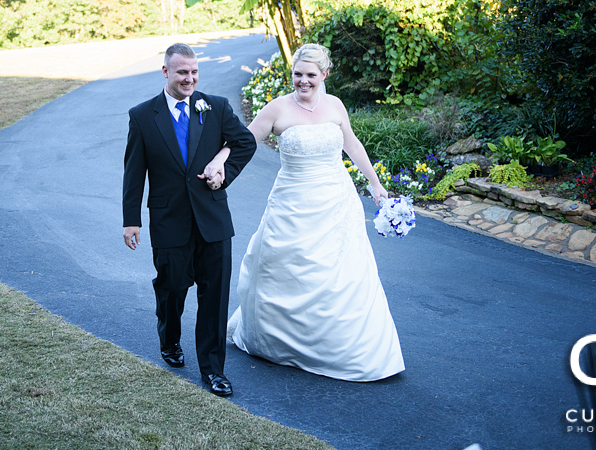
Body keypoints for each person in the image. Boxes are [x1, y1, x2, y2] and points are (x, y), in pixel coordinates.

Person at [206, 43, 404, 382]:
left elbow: (352, 145)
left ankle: (341, 346)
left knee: (342, 275)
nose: (303, 81)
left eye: (311, 75)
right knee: (287, 269)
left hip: (336, 202)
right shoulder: (277, 109)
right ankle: (280, 342)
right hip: (291, 203)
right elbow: (244, 140)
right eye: (297, 74)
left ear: (324, 75)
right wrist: (219, 160)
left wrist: (375, 184)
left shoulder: (336, 106)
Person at [122, 43, 257, 397]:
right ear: (166, 72)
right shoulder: (142, 116)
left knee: (215, 297)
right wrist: (130, 219)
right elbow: (134, 172)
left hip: (213, 218)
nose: (190, 79)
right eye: (182, 72)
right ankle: (169, 338)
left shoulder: (215, 107)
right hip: (169, 220)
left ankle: (213, 370)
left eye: (194, 72)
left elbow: (244, 142)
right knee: (172, 289)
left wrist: (222, 168)